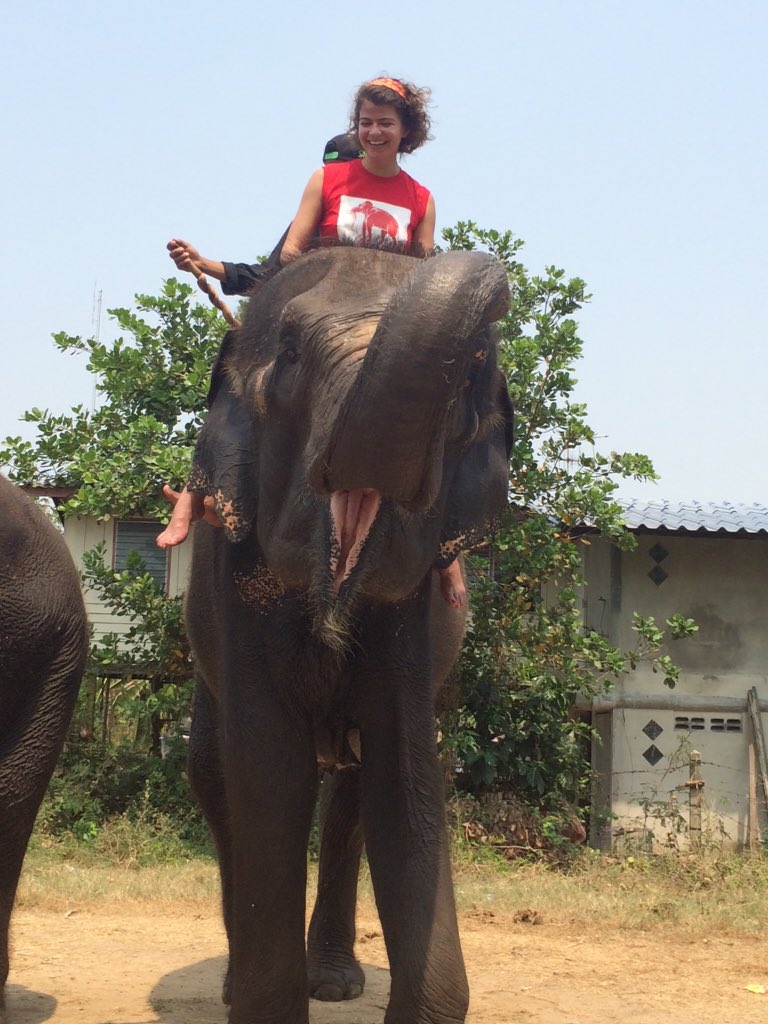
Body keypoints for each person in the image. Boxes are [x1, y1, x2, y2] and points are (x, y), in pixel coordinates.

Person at [158, 78, 465, 609]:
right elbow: (288, 257)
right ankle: (204, 486)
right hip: (323, 328)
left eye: (385, 123)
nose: (373, 132)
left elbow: (421, 275)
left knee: (457, 400)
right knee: (240, 360)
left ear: (406, 130)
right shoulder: (327, 179)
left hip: (384, 339)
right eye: (365, 122)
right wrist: (220, 270)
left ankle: (446, 544)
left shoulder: (422, 199)